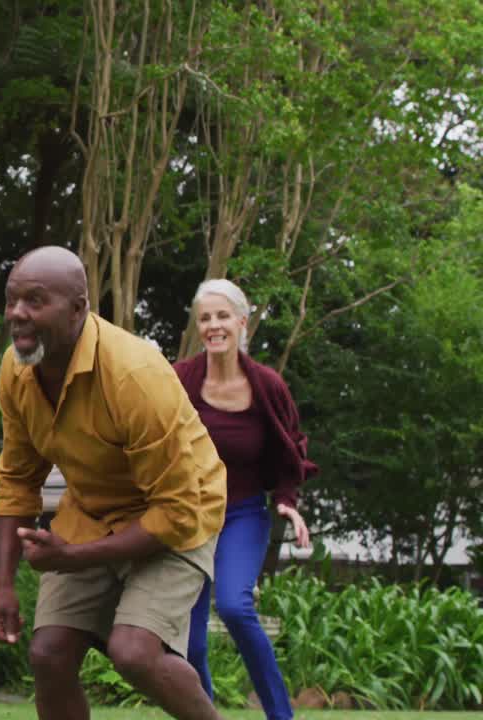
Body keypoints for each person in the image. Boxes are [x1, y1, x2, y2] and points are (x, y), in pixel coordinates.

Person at [0, 246, 229, 720]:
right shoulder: (17, 370)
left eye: (35, 301)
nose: (18, 314)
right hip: (93, 514)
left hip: (179, 515)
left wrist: (71, 557)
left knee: (134, 652)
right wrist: (4, 585)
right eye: (12, 300)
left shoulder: (135, 375)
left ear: (79, 308)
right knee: (48, 654)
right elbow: (17, 478)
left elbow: (176, 513)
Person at [174, 279, 317, 720]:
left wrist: (288, 499)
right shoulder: (180, 379)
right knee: (191, 642)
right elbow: (152, 435)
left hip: (242, 514)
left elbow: (290, 444)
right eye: (205, 318)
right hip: (191, 517)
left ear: (241, 322)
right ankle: (205, 714)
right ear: (199, 327)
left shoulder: (267, 385)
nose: (213, 325)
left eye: (222, 316)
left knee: (236, 607)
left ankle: (280, 715)